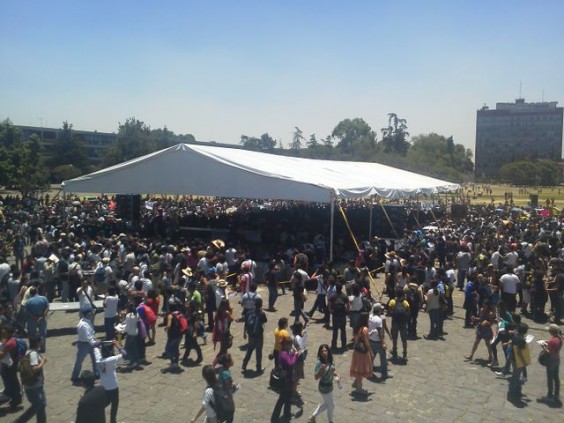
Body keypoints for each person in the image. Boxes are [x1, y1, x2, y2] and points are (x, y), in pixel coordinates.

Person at [11, 336, 47, 423]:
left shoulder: (27, 352)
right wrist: (43, 362)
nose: (42, 342)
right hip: (34, 385)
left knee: (42, 404)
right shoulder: (33, 354)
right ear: (37, 343)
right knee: (36, 406)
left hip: (33, 384)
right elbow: (34, 369)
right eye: (41, 341)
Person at [95, 340, 126, 423]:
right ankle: (113, 421)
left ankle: (95, 410)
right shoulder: (110, 360)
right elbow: (125, 355)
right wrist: (117, 345)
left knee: (107, 401)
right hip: (113, 386)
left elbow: (94, 347)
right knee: (115, 403)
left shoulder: (98, 359)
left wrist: (100, 343)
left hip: (104, 385)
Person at [307, 344, 339, 423]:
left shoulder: (330, 360)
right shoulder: (319, 363)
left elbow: (332, 370)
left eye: (325, 350)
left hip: (330, 386)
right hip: (324, 387)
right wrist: (321, 370)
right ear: (320, 353)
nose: (324, 352)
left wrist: (336, 375)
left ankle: (313, 417)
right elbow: (316, 377)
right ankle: (330, 421)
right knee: (331, 405)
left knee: (327, 404)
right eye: (322, 351)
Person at [271, 336, 298, 423]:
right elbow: (290, 363)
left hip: (288, 378)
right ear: (286, 345)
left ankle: (287, 413)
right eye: (290, 344)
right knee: (282, 398)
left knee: (288, 397)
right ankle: (274, 417)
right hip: (286, 380)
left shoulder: (285, 352)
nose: (291, 346)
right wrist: (295, 355)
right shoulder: (284, 354)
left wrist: (292, 354)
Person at [71, 307, 99, 385]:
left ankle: (96, 374)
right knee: (79, 362)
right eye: (91, 313)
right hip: (85, 345)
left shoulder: (87, 321)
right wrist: (95, 343)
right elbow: (88, 337)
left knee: (95, 359)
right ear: (87, 314)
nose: (92, 314)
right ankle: (74, 377)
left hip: (89, 343)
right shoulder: (83, 325)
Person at [538, 323, 562, 405]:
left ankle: (550, 396)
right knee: (556, 378)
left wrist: (543, 346)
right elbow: (553, 343)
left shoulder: (552, 341)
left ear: (551, 331)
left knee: (550, 379)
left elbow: (549, 352)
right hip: (557, 360)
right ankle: (556, 395)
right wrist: (547, 341)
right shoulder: (560, 338)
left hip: (551, 361)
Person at [242, 297, 267, 373]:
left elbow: (246, 323)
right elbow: (265, 320)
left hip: (250, 334)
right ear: (261, 305)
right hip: (259, 335)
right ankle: (258, 367)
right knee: (258, 351)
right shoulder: (261, 313)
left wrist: (244, 332)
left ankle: (244, 364)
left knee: (250, 349)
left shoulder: (249, 312)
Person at [349, 312, 372, 394]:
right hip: (362, 352)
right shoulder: (365, 329)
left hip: (356, 351)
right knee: (360, 369)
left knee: (358, 367)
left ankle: (356, 383)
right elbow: (366, 342)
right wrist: (370, 351)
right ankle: (359, 389)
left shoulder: (356, 327)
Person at [24, 286, 49, 352]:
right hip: (42, 319)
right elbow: (47, 308)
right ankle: (42, 348)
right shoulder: (44, 298)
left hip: (32, 320)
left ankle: (33, 347)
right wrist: (42, 316)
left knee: (32, 334)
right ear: (37, 291)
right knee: (42, 334)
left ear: (30, 293)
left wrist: (35, 318)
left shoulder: (28, 301)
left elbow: (28, 312)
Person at [368, 302, 389, 380]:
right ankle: (384, 374)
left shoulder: (370, 316)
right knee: (383, 358)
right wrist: (383, 343)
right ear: (378, 310)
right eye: (381, 309)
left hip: (371, 340)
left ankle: (369, 371)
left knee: (371, 357)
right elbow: (379, 333)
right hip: (377, 341)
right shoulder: (379, 320)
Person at [387, 288, 410, 360]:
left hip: (395, 322)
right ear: (403, 295)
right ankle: (405, 354)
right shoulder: (405, 302)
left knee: (394, 337)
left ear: (396, 294)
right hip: (403, 323)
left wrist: (392, 314)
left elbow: (389, 312)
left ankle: (394, 350)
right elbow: (408, 313)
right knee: (404, 339)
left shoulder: (392, 301)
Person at [212, 298, 233, 367]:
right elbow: (231, 319)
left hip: (220, 333)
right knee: (222, 351)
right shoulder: (226, 313)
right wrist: (231, 311)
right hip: (225, 333)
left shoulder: (218, 312)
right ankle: (213, 364)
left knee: (225, 350)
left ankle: (225, 363)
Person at [328, 283, 349, 351]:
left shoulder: (333, 296)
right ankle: (344, 345)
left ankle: (334, 345)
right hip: (342, 315)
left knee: (335, 331)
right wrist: (346, 311)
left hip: (335, 315)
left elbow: (329, 305)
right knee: (343, 330)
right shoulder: (344, 296)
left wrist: (331, 311)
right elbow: (348, 305)